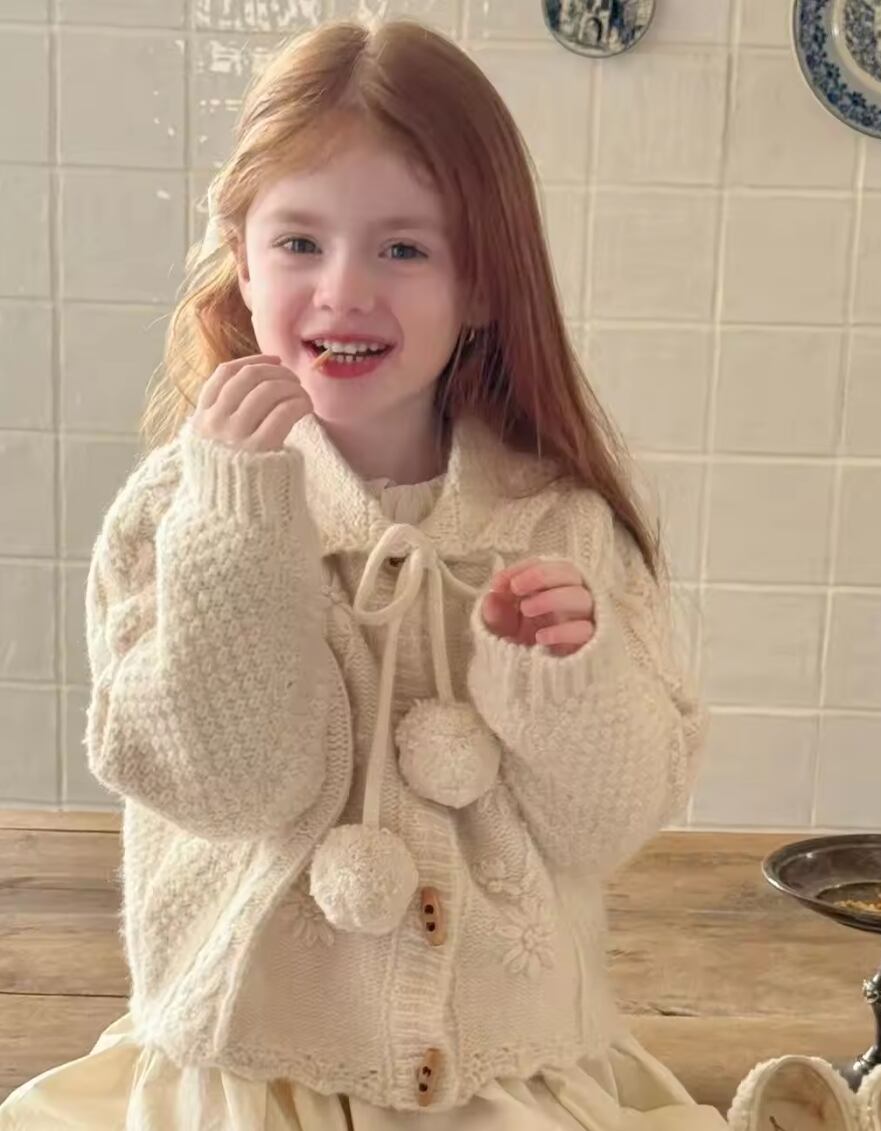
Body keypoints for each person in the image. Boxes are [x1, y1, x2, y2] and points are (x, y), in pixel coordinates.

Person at [0, 19, 724, 1131]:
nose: (343, 289)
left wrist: (566, 681)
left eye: (404, 250)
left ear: (482, 285)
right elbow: (229, 787)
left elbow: (606, 827)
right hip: (246, 1072)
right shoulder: (173, 512)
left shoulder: (558, 524)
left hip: (506, 1073)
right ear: (242, 261)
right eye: (299, 242)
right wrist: (238, 527)